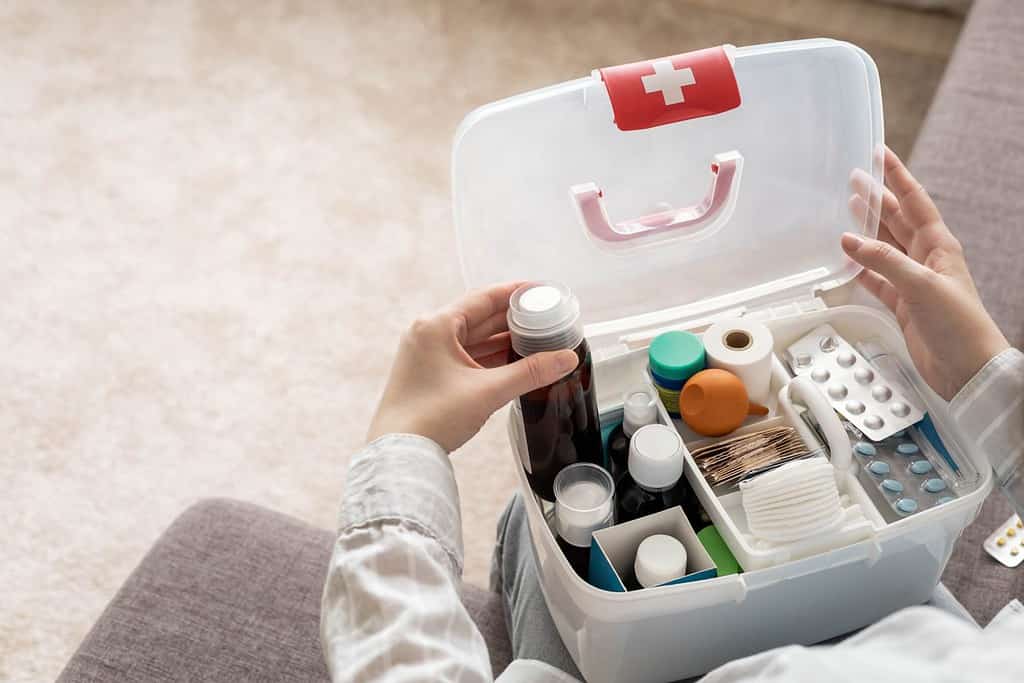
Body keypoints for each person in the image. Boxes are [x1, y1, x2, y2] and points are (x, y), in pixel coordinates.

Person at [319, 148, 1024, 681]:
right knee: (559, 508)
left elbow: (402, 660)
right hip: (901, 622)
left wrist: (403, 445)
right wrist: (983, 372)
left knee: (528, 520)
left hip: (655, 656)